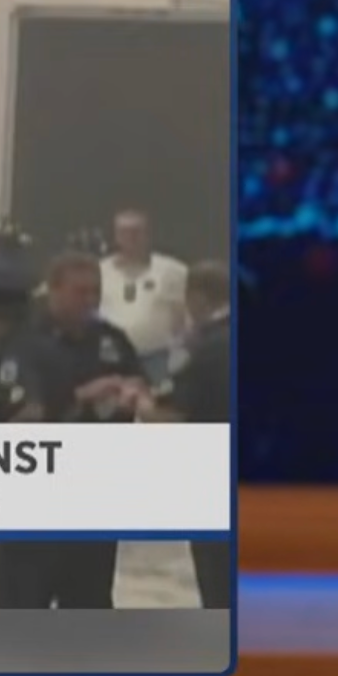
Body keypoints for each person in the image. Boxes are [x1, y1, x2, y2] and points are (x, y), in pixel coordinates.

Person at [0, 251, 150, 609]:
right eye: (80, 291)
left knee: (89, 606)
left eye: (95, 291)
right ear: (54, 290)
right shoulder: (25, 342)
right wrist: (83, 395)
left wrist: (132, 394)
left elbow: (140, 382)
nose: (90, 300)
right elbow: (19, 419)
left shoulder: (111, 340)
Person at [141, 259, 236, 608]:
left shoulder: (205, 349)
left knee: (217, 579)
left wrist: (138, 401)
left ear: (197, 297)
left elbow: (169, 415)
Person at [98, 208, 191, 386]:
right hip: (111, 359)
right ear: (116, 236)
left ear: (147, 235)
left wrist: (180, 351)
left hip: (159, 357)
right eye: (124, 233)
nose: (131, 238)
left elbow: (185, 314)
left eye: (136, 232)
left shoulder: (173, 270)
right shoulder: (99, 271)